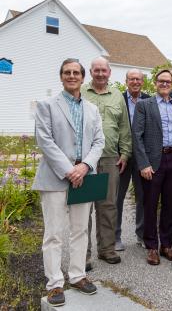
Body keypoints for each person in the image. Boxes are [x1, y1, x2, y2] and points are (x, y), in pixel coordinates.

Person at [33, 58, 105, 306]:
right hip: (55, 177)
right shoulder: (47, 106)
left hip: (84, 177)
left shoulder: (92, 109)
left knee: (79, 230)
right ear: (61, 77)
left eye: (76, 72)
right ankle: (54, 284)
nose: (72, 76)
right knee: (53, 234)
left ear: (83, 78)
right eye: (67, 72)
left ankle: (77, 276)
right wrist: (68, 170)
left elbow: (99, 142)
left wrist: (84, 166)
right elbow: (45, 141)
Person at [81, 57, 132, 270]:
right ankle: (82, 256)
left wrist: (126, 153)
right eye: (96, 70)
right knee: (84, 208)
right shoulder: (81, 92)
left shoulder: (117, 95)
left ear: (110, 73)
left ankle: (107, 249)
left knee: (108, 205)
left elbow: (123, 127)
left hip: (111, 157)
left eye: (104, 70)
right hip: (84, 160)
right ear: (91, 72)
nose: (100, 73)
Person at [132, 69, 172, 265]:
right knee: (150, 205)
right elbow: (137, 135)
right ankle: (151, 246)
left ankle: (167, 245)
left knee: (171, 204)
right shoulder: (145, 105)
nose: (164, 84)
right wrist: (143, 163)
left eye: (168, 81)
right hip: (153, 162)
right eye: (161, 81)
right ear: (155, 83)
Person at [115, 69, 150, 251]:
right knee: (117, 197)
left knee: (142, 197)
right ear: (126, 81)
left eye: (138, 79)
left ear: (142, 82)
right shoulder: (117, 99)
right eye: (132, 79)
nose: (135, 81)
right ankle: (115, 237)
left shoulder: (149, 100)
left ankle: (142, 235)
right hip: (121, 155)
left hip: (142, 156)